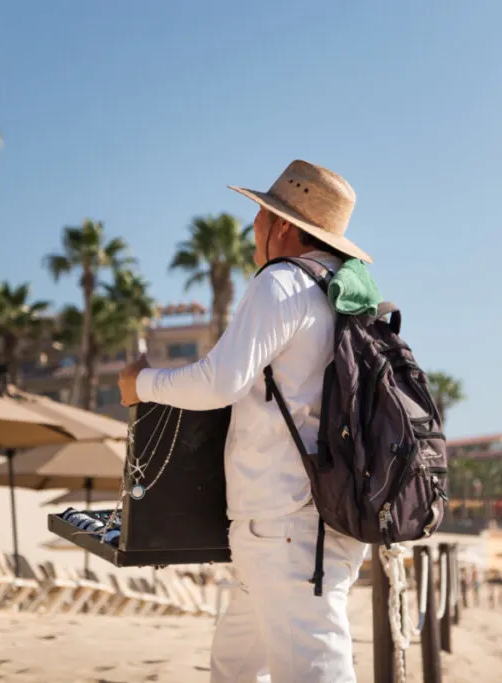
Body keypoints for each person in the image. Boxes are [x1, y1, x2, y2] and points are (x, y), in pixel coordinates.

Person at [117, 160, 372, 683]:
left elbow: (219, 382)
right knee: (235, 668)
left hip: (287, 528)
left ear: (281, 225)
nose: (253, 227)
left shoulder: (281, 283)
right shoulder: (343, 296)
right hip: (313, 521)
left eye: (260, 214)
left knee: (313, 671)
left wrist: (140, 385)